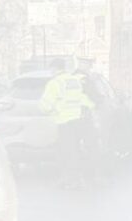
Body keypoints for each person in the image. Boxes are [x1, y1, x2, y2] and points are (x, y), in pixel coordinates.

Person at [40, 58, 95, 189]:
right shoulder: (74, 80)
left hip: (65, 122)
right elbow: (83, 98)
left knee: (68, 151)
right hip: (79, 120)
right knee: (76, 150)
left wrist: (47, 111)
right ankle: (82, 177)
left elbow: (45, 104)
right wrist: (91, 107)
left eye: (51, 69)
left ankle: (71, 180)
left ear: (54, 69)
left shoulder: (55, 83)